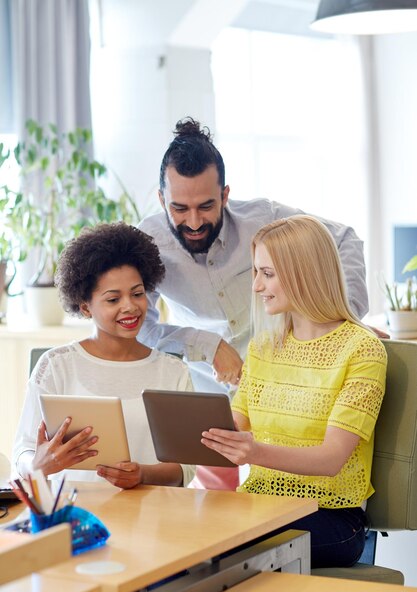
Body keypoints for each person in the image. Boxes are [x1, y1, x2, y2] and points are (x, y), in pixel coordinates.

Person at [138, 117, 370, 491]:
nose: (194, 221)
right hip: (209, 393)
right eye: (180, 208)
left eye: (206, 206)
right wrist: (208, 346)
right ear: (162, 198)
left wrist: (340, 321)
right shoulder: (146, 243)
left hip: (287, 383)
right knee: (215, 513)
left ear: (226, 195)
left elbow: (344, 239)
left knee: (291, 485)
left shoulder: (264, 220)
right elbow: (141, 326)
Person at [201, 215, 387, 568]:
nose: (256, 286)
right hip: (260, 505)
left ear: (305, 273)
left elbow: (332, 459)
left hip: (332, 518)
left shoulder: (361, 349)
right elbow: (235, 425)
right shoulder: (262, 348)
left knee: (216, 551)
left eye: (267, 274)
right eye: (256, 272)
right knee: (189, 532)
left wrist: (254, 453)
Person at [12, 222, 195, 489]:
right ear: (86, 307)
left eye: (137, 294)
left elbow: (187, 469)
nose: (130, 307)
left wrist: (142, 474)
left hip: (153, 519)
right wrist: (39, 464)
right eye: (113, 299)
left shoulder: (173, 372)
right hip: (74, 517)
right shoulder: (57, 365)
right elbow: (23, 453)